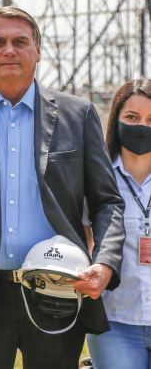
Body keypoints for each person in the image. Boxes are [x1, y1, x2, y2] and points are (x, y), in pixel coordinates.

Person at [0, 6, 125, 368]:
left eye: (20, 41)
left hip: (58, 289)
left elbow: (107, 201)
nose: (9, 50)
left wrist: (105, 261)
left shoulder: (77, 115)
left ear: (38, 52)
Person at [84, 79, 151, 368]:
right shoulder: (95, 180)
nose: (142, 126)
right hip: (114, 324)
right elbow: (85, 245)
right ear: (116, 119)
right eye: (132, 118)